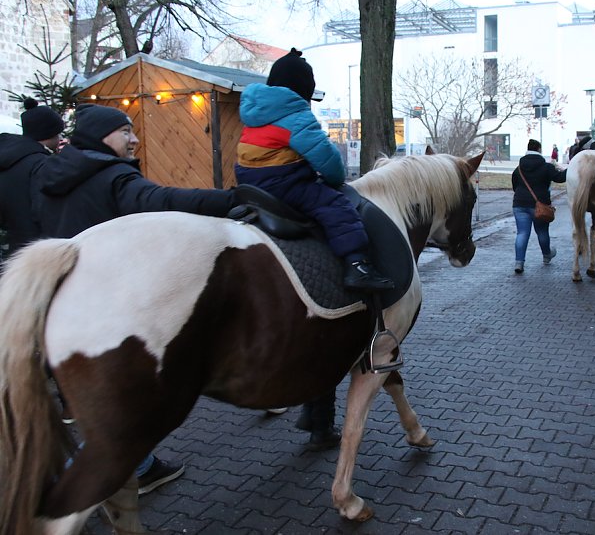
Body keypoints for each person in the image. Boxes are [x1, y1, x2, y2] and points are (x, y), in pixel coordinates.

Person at [36, 103, 239, 494]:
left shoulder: (50, 175)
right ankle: (65, 484)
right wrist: (228, 201)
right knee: (138, 398)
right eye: (125, 131)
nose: (134, 138)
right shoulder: (111, 176)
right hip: (108, 305)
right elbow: (162, 200)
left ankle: (139, 466)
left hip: (60, 301)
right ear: (101, 136)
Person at [235, 47, 392, 293]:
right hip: (282, 183)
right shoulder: (295, 114)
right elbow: (327, 160)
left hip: (248, 180)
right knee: (335, 206)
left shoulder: (255, 111)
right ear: (303, 89)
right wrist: (335, 179)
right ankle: (357, 265)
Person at [0, 98, 64, 258]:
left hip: (12, 245)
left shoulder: (9, 159)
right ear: (49, 134)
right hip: (38, 248)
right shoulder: (40, 164)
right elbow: (45, 209)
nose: (60, 138)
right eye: (58, 133)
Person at [511, 139, 566, 274]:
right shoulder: (546, 167)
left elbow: (515, 185)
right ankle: (547, 255)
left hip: (519, 204)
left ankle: (519, 262)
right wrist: (570, 169)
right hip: (540, 205)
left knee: (522, 233)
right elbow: (559, 178)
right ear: (539, 150)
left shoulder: (519, 168)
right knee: (542, 232)